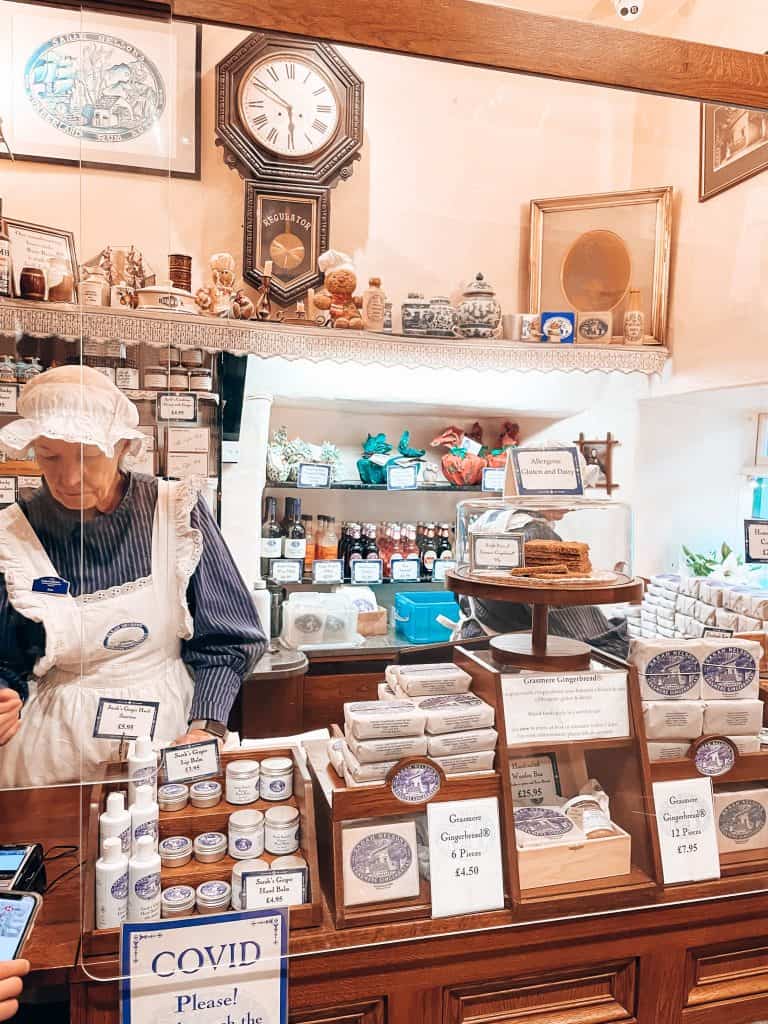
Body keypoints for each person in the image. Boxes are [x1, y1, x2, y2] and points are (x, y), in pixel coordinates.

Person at [0, 366, 266, 788]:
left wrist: (207, 725)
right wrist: (6, 690)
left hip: (167, 730)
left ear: (123, 445)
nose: (68, 478)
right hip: (52, 750)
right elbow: (8, 657)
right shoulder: (13, 532)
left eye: (88, 455)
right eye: (49, 456)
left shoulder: (174, 511)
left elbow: (228, 640)